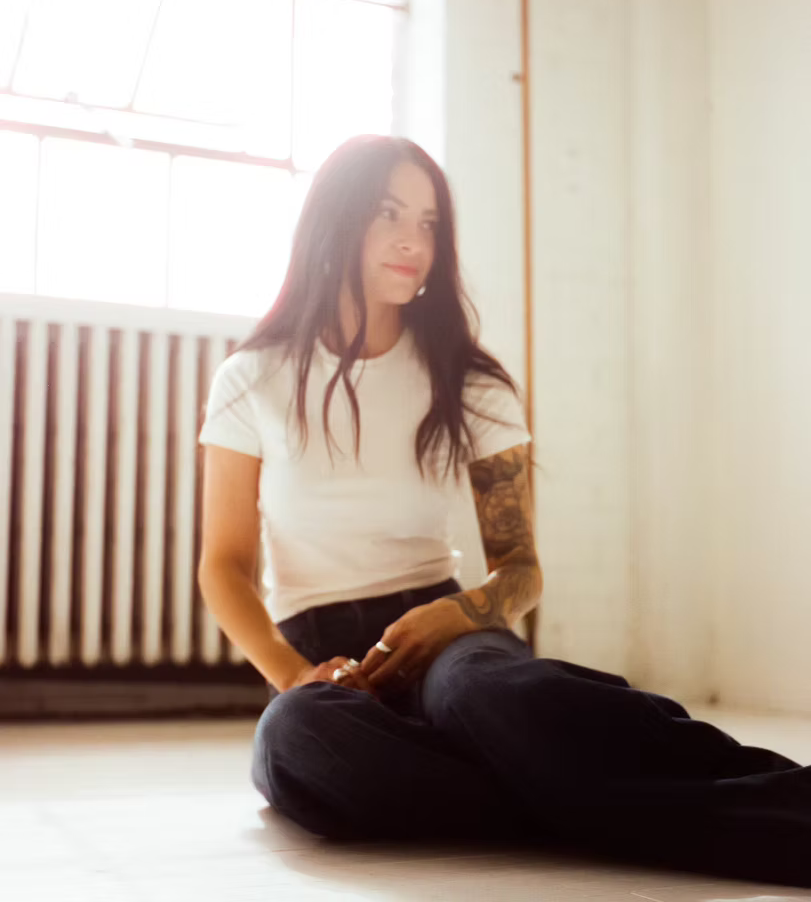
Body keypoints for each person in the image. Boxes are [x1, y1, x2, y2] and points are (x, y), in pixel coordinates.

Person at [198, 135, 811, 888]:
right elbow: (224, 566)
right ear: (335, 220)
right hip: (319, 656)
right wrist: (294, 675)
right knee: (300, 739)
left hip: (449, 632)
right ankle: (565, 791)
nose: (412, 240)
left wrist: (454, 616)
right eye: (389, 214)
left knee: (494, 697)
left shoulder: (471, 381)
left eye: (428, 223)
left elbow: (520, 571)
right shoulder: (251, 377)